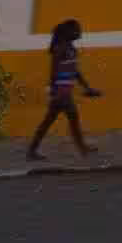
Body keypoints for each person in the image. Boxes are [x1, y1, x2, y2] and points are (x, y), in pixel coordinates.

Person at [26, 19, 102, 159]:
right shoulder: (60, 48)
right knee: (70, 118)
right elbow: (53, 70)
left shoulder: (70, 48)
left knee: (51, 121)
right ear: (69, 32)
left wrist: (87, 87)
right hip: (61, 92)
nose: (80, 32)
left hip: (64, 91)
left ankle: (32, 150)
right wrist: (53, 89)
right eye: (77, 30)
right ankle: (82, 148)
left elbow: (75, 71)